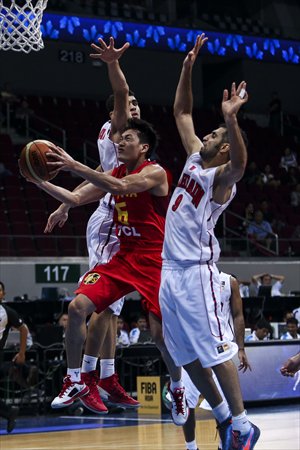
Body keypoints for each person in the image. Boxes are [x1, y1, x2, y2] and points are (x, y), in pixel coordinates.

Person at [23, 117, 188, 426]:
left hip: (154, 260)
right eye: (119, 138)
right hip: (124, 258)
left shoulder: (155, 172)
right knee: (77, 307)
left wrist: (73, 165)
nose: (121, 143)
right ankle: (75, 379)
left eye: (128, 139)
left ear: (143, 147)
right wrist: (39, 181)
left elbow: (121, 186)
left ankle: (177, 387)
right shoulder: (115, 172)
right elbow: (74, 198)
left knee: (159, 333)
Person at [159, 34, 260, 449]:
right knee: (182, 354)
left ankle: (240, 424)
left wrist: (232, 121)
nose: (208, 135)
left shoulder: (220, 180)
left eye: (215, 134)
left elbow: (239, 164)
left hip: (197, 273)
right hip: (169, 271)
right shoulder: (194, 158)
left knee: (218, 350)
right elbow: (181, 111)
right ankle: (220, 415)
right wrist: (186, 68)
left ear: (220, 149)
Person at [45, 37, 141, 413]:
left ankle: (106, 375)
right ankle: (84, 377)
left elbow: (101, 173)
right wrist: (113, 65)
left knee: (112, 308)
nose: (133, 104)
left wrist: (68, 201)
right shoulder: (117, 127)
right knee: (98, 304)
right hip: (109, 223)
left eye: (135, 103)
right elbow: (120, 92)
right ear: (117, 112)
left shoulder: (126, 141)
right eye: (129, 103)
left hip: (122, 218)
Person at [181, 272, 251, 450]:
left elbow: (238, 315)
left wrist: (241, 348)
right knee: (185, 401)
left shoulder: (229, 281)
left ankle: (224, 445)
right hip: (193, 348)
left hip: (221, 348)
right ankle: (191, 447)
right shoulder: (187, 277)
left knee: (225, 406)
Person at [0, 281, 29, 432]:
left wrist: (22, 352)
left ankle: (8, 412)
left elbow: (23, 330)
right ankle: (8, 412)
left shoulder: (7, 312)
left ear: (3, 294)